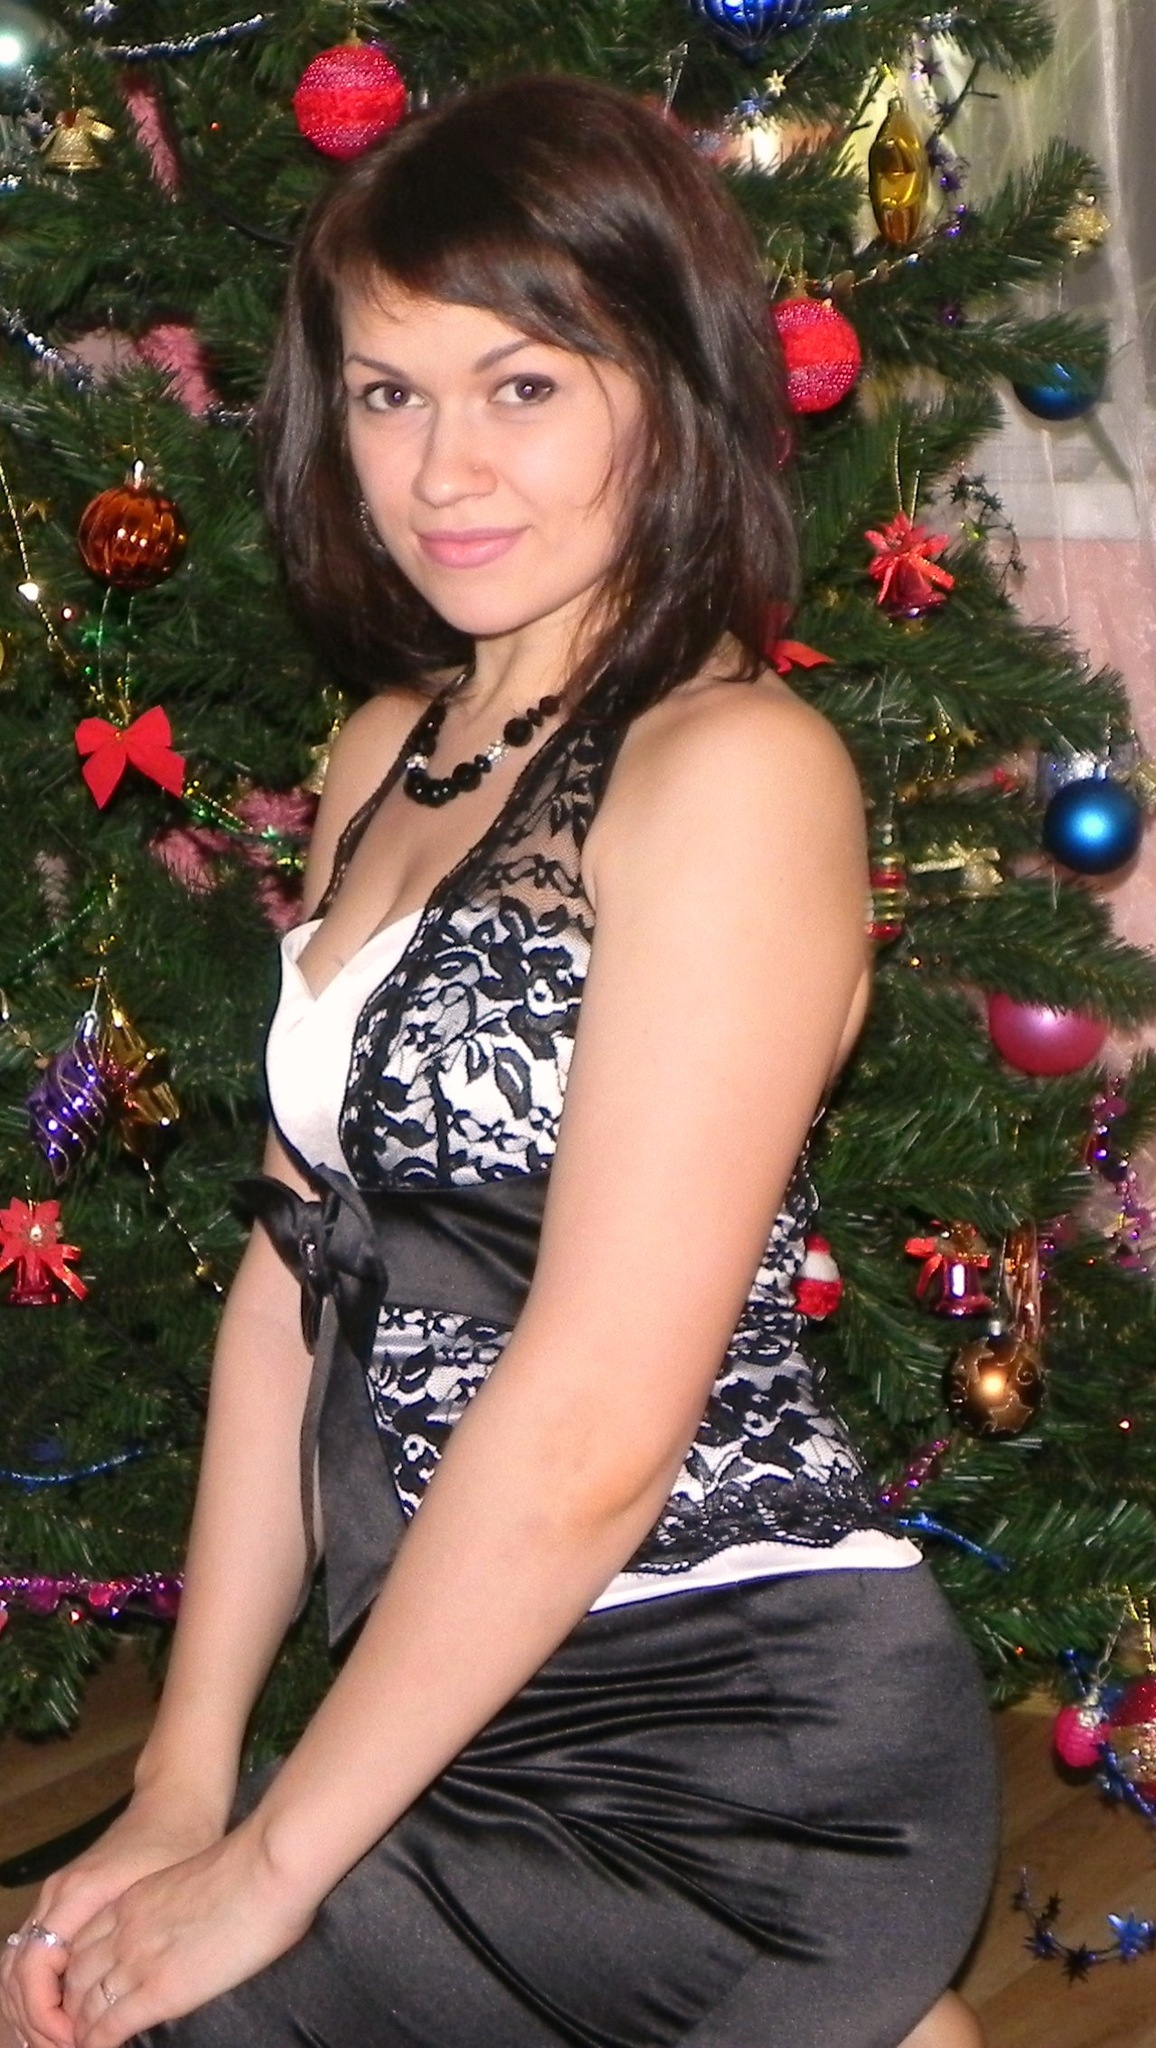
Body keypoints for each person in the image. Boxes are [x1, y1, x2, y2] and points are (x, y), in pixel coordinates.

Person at [0, 73, 999, 2048]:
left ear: (671, 392)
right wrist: (187, 1778)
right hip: (457, 1695)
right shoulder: (391, 745)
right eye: (388, 393)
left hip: (722, 1737)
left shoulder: (735, 774)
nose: (441, 467)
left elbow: (599, 1419)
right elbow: (292, 1291)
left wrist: (267, 1866)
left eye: (521, 384)